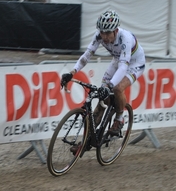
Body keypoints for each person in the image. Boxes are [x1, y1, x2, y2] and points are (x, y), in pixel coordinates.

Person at [61, 10, 146, 138]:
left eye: (107, 33)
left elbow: (124, 67)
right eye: (102, 32)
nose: (104, 36)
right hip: (118, 60)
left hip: (134, 64)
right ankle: (86, 141)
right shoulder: (98, 36)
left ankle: (119, 119)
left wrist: (110, 85)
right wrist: (72, 72)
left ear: (115, 31)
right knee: (102, 98)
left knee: (117, 89)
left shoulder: (125, 38)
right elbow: (87, 56)